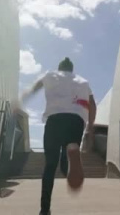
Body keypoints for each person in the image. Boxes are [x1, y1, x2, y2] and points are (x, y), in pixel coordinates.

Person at [15, 57, 96, 215]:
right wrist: (90, 127)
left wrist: (21, 99)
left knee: (50, 166)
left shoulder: (50, 75)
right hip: (75, 121)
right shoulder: (83, 81)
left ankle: (44, 210)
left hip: (54, 120)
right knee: (67, 156)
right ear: (72, 70)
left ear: (60, 69)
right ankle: (70, 155)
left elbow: (33, 88)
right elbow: (92, 104)